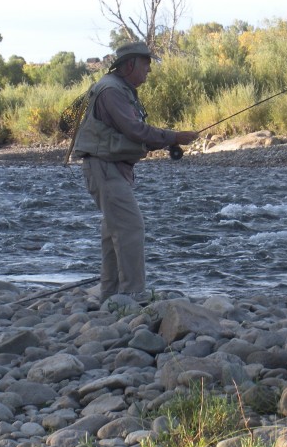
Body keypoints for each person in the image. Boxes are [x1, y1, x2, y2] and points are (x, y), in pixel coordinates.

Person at [72, 41, 199, 302]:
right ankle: (132, 294)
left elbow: (133, 132)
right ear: (130, 65)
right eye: (146, 64)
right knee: (131, 227)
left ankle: (111, 296)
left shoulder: (120, 89)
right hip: (104, 168)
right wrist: (174, 135)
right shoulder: (112, 91)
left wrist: (169, 139)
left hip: (110, 168)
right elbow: (135, 130)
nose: (149, 70)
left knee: (114, 232)